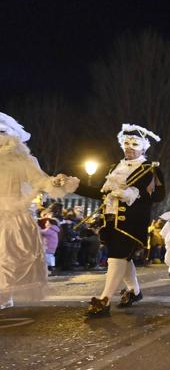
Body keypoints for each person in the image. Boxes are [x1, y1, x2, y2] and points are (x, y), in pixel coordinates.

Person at [74, 124, 165, 317]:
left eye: (135, 144)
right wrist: (74, 186)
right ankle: (135, 291)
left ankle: (104, 300)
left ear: (143, 147)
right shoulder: (114, 168)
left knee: (116, 257)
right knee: (124, 258)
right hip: (110, 222)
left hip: (132, 223)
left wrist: (132, 194)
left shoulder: (150, 169)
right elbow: (102, 193)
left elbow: (158, 196)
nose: (129, 147)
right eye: (126, 143)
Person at [0, 112, 78, 309]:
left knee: (8, 257)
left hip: (13, 216)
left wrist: (56, 182)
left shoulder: (23, 160)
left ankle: (3, 295)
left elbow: (40, 180)